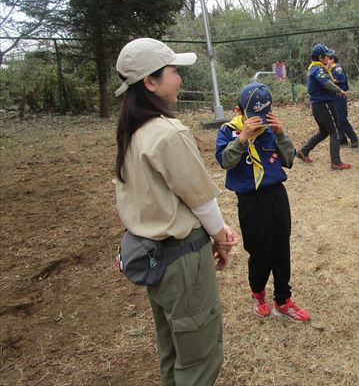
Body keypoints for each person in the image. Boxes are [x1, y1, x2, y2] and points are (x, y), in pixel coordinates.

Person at [114, 38, 238, 386]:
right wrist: (221, 237)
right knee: (199, 359)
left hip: (154, 259)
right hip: (181, 260)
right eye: (173, 72)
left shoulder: (132, 132)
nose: (180, 79)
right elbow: (200, 200)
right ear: (150, 83)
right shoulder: (168, 133)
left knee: (173, 350)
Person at [215, 82, 310, 322]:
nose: (259, 120)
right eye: (253, 115)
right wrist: (243, 138)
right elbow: (225, 162)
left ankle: (283, 299)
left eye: (264, 114)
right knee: (259, 251)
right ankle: (258, 293)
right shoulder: (228, 131)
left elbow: (289, 160)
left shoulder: (270, 130)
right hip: (250, 200)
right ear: (239, 110)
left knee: (281, 247)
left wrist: (280, 134)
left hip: (276, 195)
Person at [297, 43, 351, 170]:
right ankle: (336, 162)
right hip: (324, 105)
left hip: (318, 106)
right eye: (327, 56)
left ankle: (304, 151)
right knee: (335, 131)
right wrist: (339, 90)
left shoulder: (314, 68)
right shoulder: (318, 69)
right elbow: (326, 83)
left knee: (324, 132)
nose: (328, 58)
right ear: (321, 57)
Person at [326, 53, 358, 148]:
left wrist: (328, 81)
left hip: (340, 96)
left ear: (332, 59)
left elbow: (341, 79)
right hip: (333, 97)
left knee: (342, 118)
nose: (326, 61)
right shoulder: (329, 69)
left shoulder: (337, 68)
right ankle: (342, 138)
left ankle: (353, 138)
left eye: (327, 59)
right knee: (336, 118)